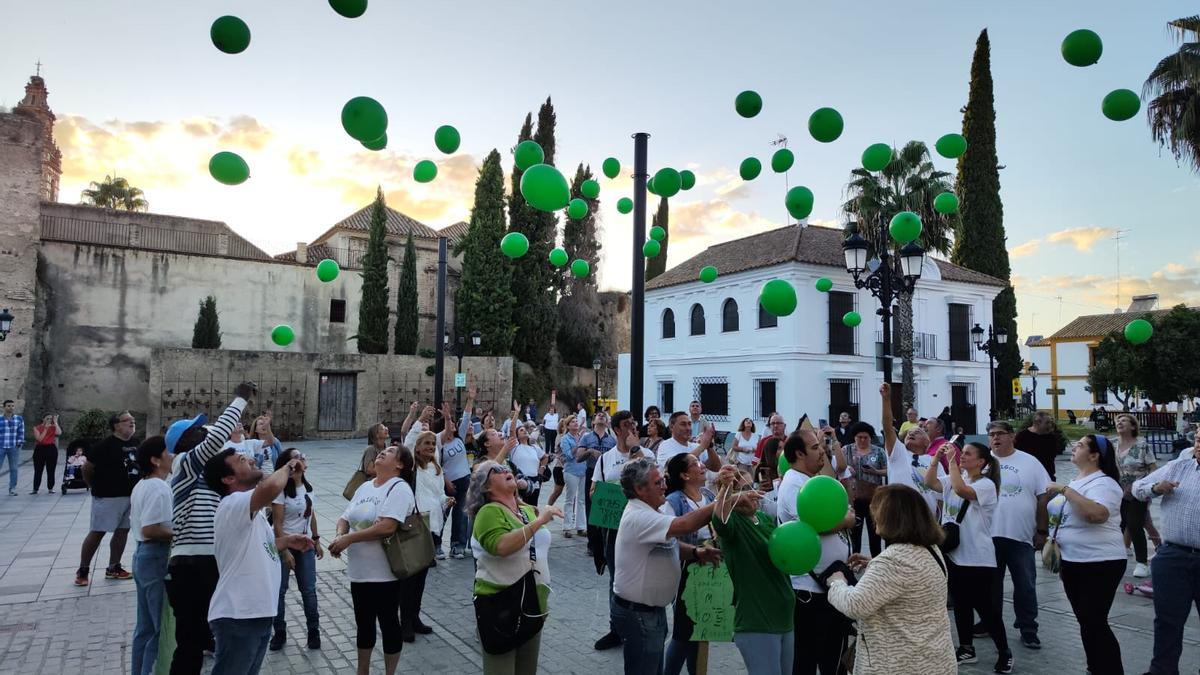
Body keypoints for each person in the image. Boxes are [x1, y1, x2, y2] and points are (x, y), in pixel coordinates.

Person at [610, 458, 741, 674]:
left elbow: (668, 542)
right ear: (640, 489)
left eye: (663, 479)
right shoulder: (639, 516)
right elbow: (685, 524)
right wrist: (728, 496)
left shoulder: (651, 510)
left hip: (650, 611)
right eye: (657, 482)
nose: (664, 485)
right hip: (639, 613)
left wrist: (695, 552)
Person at [165, 381, 255, 675]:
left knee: (215, 636)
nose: (204, 431)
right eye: (197, 430)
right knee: (190, 644)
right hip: (192, 564)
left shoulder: (209, 474)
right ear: (186, 442)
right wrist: (240, 399)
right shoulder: (185, 465)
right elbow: (217, 439)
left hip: (213, 561)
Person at [825, 485, 955, 675]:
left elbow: (855, 605)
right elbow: (912, 581)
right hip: (935, 659)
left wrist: (836, 582)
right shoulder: (929, 548)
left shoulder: (893, 561)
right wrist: (874, 564)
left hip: (899, 664)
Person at [203, 447, 311, 675]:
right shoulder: (232, 503)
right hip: (239, 615)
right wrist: (289, 465)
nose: (251, 460)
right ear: (229, 479)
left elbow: (263, 547)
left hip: (258, 614)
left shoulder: (254, 513)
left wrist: (287, 541)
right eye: (242, 460)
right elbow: (271, 487)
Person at [466, 460, 564, 675]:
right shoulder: (488, 511)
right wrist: (539, 521)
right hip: (502, 606)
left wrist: (537, 517)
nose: (506, 470)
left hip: (533, 604)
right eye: (497, 470)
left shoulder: (525, 510)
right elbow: (501, 547)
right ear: (485, 487)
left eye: (507, 468)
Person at [923, 442, 1011, 673]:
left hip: (978, 558)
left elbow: (962, 490)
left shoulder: (985, 484)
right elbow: (929, 482)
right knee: (961, 604)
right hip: (954, 554)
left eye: (968, 454)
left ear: (981, 462)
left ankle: (1004, 651)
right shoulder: (955, 477)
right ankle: (966, 648)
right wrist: (935, 460)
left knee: (985, 608)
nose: (963, 456)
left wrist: (951, 462)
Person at [328, 446, 415, 675]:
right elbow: (344, 517)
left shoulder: (399, 488)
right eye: (383, 450)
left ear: (400, 465)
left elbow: (387, 527)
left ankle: (389, 672)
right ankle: (362, 671)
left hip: (385, 571)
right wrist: (339, 536)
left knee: (388, 624)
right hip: (359, 571)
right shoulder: (365, 486)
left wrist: (349, 539)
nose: (382, 452)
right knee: (364, 624)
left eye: (390, 451)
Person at [1044, 434, 1126, 675]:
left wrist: (1065, 490)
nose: (1073, 447)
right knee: (1086, 621)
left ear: (1094, 455)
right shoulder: (1079, 480)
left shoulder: (1105, 484)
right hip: (1073, 561)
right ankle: (1095, 666)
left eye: (1080, 445)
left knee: (1094, 621)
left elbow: (1097, 514)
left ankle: (1109, 670)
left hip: (1100, 562)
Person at [778, 429, 856, 675]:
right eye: (814, 447)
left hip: (828, 585)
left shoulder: (810, 482)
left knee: (833, 656)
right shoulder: (794, 484)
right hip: (810, 591)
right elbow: (810, 526)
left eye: (820, 445)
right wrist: (845, 521)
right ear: (799, 454)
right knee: (808, 658)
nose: (821, 450)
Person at [1131, 434, 1200, 675]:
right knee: (1167, 621)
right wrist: (1155, 488)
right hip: (1173, 556)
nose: (1198, 446)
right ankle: (1162, 670)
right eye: (1198, 440)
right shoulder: (1179, 466)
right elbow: (1137, 488)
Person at [709, 482, 795, 675]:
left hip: (784, 618)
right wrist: (729, 495)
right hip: (758, 620)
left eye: (751, 488)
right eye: (744, 491)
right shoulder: (732, 525)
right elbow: (718, 520)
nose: (751, 494)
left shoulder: (763, 519)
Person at [984, 419, 1051, 650]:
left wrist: (1042, 530)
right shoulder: (983, 463)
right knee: (990, 586)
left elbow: (1043, 496)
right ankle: (989, 624)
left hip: (1020, 536)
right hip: (988, 536)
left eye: (1001, 433)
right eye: (992, 434)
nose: (996, 438)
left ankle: (1028, 628)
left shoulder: (1029, 462)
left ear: (1012, 436)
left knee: (1025, 585)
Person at [592, 410, 654, 654]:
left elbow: (650, 478)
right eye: (627, 425)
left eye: (634, 424)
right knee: (616, 577)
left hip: (642, 525)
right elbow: (596, 486)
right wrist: (596, 493)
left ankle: (639, 626)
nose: (632, 428)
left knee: (642, 575)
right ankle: (616, 628)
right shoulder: (606, 458)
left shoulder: (645, 453)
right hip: (615, 527)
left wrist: (635, 449)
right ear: (616, 430)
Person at [662, 452, 717, 675]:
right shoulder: (674, 501)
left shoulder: (707, 495)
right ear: (685, 475)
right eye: (695, 464)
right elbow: (669, 541)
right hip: (686, 573)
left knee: (700, 631)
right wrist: (697, 551)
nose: (702, 465)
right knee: (685, 633)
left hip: (710, 572)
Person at [75, 411, 139, 586]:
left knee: (122, 531)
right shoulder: (104, 446)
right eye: (127, 420)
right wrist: (93, 486)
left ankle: (114, 567)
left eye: (133, 420)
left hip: (130, 494)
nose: (132, 423)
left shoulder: (135, 443)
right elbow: (87, 468)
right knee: (98, 531)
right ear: (116, 425)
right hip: (108, 495)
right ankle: (83, 569)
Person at [270, 447, 324, 651]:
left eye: (302, 455)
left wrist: (317, 540)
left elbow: (311, 515)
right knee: (279, 591)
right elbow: (277, 524)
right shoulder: (281, 490)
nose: (301, 458)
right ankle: (279, 632)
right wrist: (284, 551)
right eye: (296, 457)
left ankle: (313, 632)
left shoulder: (308, 488)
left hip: (306, 546)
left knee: (309, 590)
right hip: (285, 545)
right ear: (287, 464)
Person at [129, 436, 174, 675]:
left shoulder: (143, 484)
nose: (173, 455)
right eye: (168, 452)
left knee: (145, 627)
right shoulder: (158, 487)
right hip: (155, 556)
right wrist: (180, 533)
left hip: (143, 556)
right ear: (156, 460)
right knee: (159, 629)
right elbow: (151, 528)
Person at [879, 384, 944, 516]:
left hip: (926, 520)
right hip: (899, 518)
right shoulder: (898, 452)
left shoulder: (933, 461)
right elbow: (887, 426)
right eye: (909, 433)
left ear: (927, 442)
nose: (911, 434)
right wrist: (886, 399)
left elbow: (940, 494)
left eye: (918, 432)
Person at [404, 432, 445, 641]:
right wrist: (419, 419)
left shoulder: (437, 469)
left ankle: (415, 617)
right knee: (411, 577)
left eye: (432, 443)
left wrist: (447, 501)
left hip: (432, 524)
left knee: (421, 577)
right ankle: (405, 623)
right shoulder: (412, 467)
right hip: (415, 524)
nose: (430, 446)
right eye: (426, 443)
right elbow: (408, 441)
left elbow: (439, 494)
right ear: (418, 447)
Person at [1112, 413, 1156, 579]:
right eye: (1118, 421)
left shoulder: (1142, 445)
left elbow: (1153, 468)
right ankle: (1117, 555)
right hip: (1117, 491)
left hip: (1139, 492)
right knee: (1119, 524)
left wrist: (1144, 486)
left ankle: (1142, 563)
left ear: (1132, 426)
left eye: (1124, 420)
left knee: (1135, 524)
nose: (1119, 423)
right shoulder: (1112, 445)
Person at [845, 422, 887, 557]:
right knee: (854, 532)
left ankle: (876, 560)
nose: (862, 440)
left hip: (873, 497)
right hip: (854, 496)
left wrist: (876, 471)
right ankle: (854, 559)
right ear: (854, 437)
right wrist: (847, 470)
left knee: (874, 532)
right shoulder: (847, 450)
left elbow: (888, 471)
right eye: (859, 437)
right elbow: (838, 468)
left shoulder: (879, 451)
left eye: (865, 437)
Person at [655, 411, 722, 473]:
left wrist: (709, 446)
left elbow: (716, 468)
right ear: (671, 427)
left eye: (689, 424)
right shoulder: (665, 446)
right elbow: (676, 467)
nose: (688, 428)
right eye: (683, 424)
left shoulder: (695, 446)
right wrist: (702, 446)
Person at [558, 416, 587, 537]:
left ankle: (581, 526)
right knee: (570, 499)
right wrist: (579, 444)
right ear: (568, 425)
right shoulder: (565, 439)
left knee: (581, 499)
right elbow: (569, 456)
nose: (575, 423)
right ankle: (567, 527)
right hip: (571, 471)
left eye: (576, 421)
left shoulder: (583, 437)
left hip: (583, 470)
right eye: (572, 422)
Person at [1013, 412, 1060, 480]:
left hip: (1047, 475)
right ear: (1037, 423)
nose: (1050, 425)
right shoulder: (1022, 436)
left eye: (1050, 422)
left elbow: (1053, 455)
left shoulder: (1051, 437)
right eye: (1047, 423)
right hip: (1027, 476)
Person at [510, 423, 547, 504]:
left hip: (535, 480)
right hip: (521, 480)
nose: (524, 431)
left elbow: (545, 457)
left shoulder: (534, 447)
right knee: (522, 506)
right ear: (517, 436)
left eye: (525, 430)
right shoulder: (515, 447)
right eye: (521, 430)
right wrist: (516, 412)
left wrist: (542, 467)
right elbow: (512, 430)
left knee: (534, 505)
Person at [31, 412, 61, 494]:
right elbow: (39, 439)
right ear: (43, 419)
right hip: (40, 449)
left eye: (50, 419)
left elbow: (59, 433)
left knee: (51, 470)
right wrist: (45, 429)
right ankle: (35, 488)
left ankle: (50, 488)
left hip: (51, 449)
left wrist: (55, 422)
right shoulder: (37, 428)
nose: (49, 420)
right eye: (47, 418)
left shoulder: (53, 427)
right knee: (38, 470)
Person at [0, 400, 23, 496]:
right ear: (4, 407)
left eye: (12, 406)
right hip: (1, 446)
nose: (11, 407)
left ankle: (12, 488)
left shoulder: (19, 419)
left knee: (14, 468)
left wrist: (19, 443)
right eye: (8, 406)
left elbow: (21, 432)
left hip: (13, 447)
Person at [541, 391, 559, 456]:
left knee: (553, 441)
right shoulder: (547, 414)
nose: (552, 411)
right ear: (549, 410)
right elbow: (543, 421)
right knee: (547, 441)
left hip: (554, 430)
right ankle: (547, 452)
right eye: (550, 410)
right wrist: (542, 427)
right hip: (547, 429)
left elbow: (553, 404)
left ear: (554, 410)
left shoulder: (556, 415)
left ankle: (552, 452)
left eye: (553, 410)